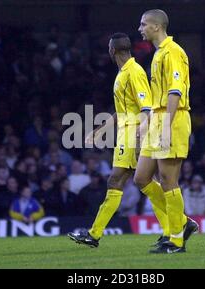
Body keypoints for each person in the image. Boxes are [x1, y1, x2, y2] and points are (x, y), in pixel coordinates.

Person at [68, 32, 174, 248]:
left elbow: (147, 108)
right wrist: (99, 130)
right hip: (126, 132)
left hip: (134, 132)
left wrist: (140, 134)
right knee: (144, 182)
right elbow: (122, 111)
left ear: (112, 50)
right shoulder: (123, 72)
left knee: (120, 180)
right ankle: (174, 226)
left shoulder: (133, 72)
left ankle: (94, 234)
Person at [134, 9, 198, 254]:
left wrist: (166, 126)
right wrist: (147, 122)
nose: (140, 28)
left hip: (173, 117)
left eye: (143, 24)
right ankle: (182, 222)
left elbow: (175, 92)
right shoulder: (158, 54)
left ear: (156, 27)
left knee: (168, 179)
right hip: (158, 117)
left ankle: (176, 240)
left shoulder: (174, 52)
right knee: (141, 177)